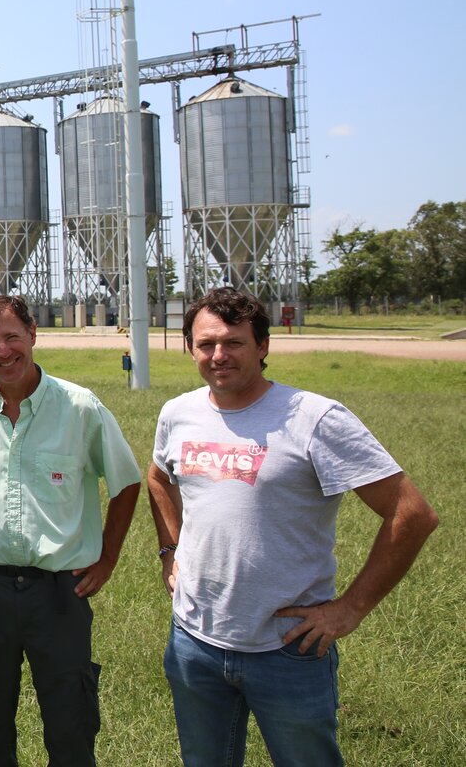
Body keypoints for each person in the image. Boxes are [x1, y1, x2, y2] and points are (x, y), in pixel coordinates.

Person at [147, 287, 438, 766]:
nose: (219, 355)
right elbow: (159, 478)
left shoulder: (315, 418)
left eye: (234, 343)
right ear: (190, 348)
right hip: (195, 641)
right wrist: (169, 551)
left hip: (287, 648)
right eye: (206, 344)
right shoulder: (178, 414)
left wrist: (349, 609)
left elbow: (412, 513)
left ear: (262, 346)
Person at [0, 294, 141, 767]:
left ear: (33, 334)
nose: (3, 351)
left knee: (71, 720)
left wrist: (107, 558)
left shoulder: (80, 408)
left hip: (60, 593)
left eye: (12, 337)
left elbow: (126, 482)